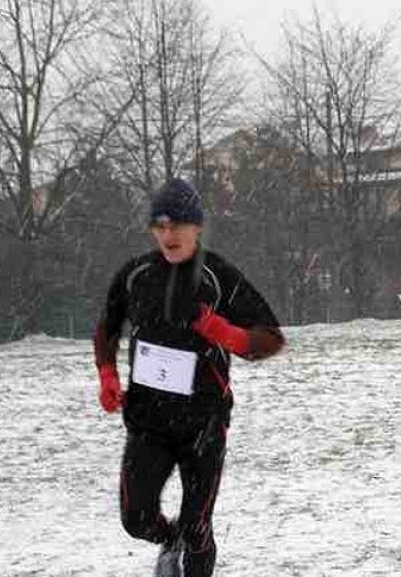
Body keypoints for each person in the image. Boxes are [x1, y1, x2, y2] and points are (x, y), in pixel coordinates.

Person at [93, 178, 285, 577]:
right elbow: (107, 328)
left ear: (197, 227)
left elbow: (270, 338)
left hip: (204, 421)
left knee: (198, 526)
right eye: (160, 226)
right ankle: (170, 540)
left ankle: (191, 548)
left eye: (178, 225)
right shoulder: (136, 274)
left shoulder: (218, 276)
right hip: (148, 422)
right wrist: (107, 374)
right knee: (136, 518)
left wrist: (222, 331)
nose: (169, 235)